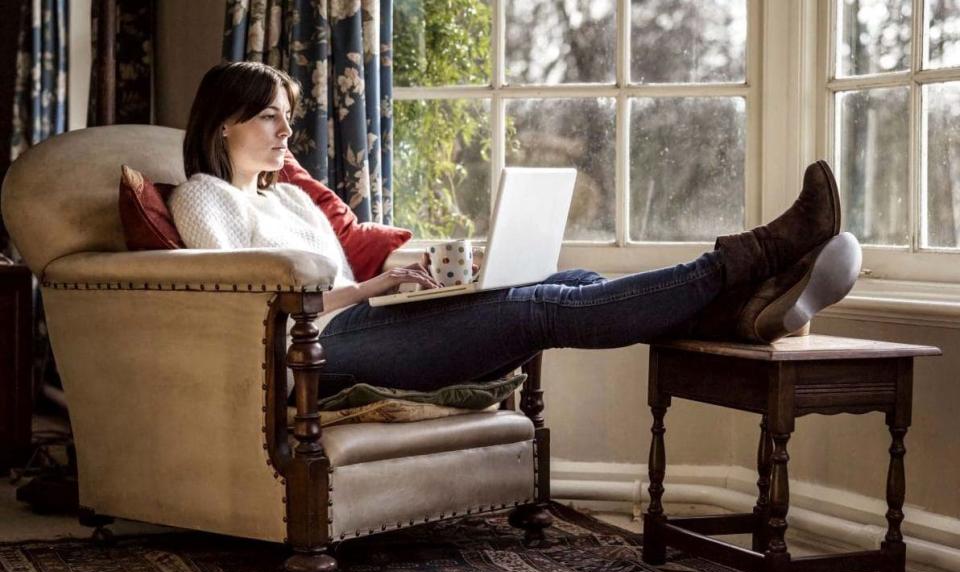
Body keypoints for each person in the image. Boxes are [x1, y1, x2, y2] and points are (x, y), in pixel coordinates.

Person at [170, 61, 860, 393]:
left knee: (571, 280)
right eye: (269, 115)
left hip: (364, 323)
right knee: (540, 308)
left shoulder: (291, 201)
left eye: (288, 114)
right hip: (318, 357)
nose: (287, 129)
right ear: (222, 122)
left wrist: (401, 288)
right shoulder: (202, 199)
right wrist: (371, 286)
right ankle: (758, 257)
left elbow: (342, 286)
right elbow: (255, 310)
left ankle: (739, 313)